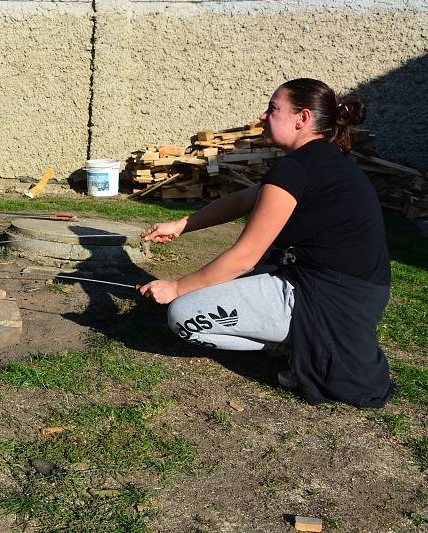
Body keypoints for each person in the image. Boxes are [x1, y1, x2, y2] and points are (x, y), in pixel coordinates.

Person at [139, 78, 395, 407]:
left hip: (329, 300)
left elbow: (245, 257)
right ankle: (294, 339)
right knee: (222, 284)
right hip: (359, 295)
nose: (263, 116)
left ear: (302, 119)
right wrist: (182, 225)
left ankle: (296, 345)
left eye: (273, 109)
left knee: (183, 315)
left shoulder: (297, 168)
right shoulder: (321, 159)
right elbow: (247, 198)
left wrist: (176, 288)